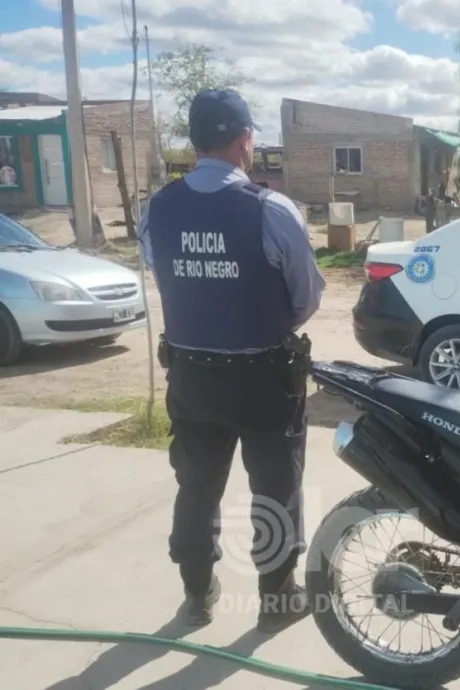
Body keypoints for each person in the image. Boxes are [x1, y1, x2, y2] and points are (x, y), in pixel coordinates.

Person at [138, 89, 326, 632]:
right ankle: (277, 597)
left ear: (194, 141)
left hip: (191, 376)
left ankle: (198, 596)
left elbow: (166, 278)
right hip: (264, 378)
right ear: (245, 139)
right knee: (276, 488)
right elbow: (307, 297)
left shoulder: (157, 209)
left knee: (196, 486)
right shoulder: (271, 209)